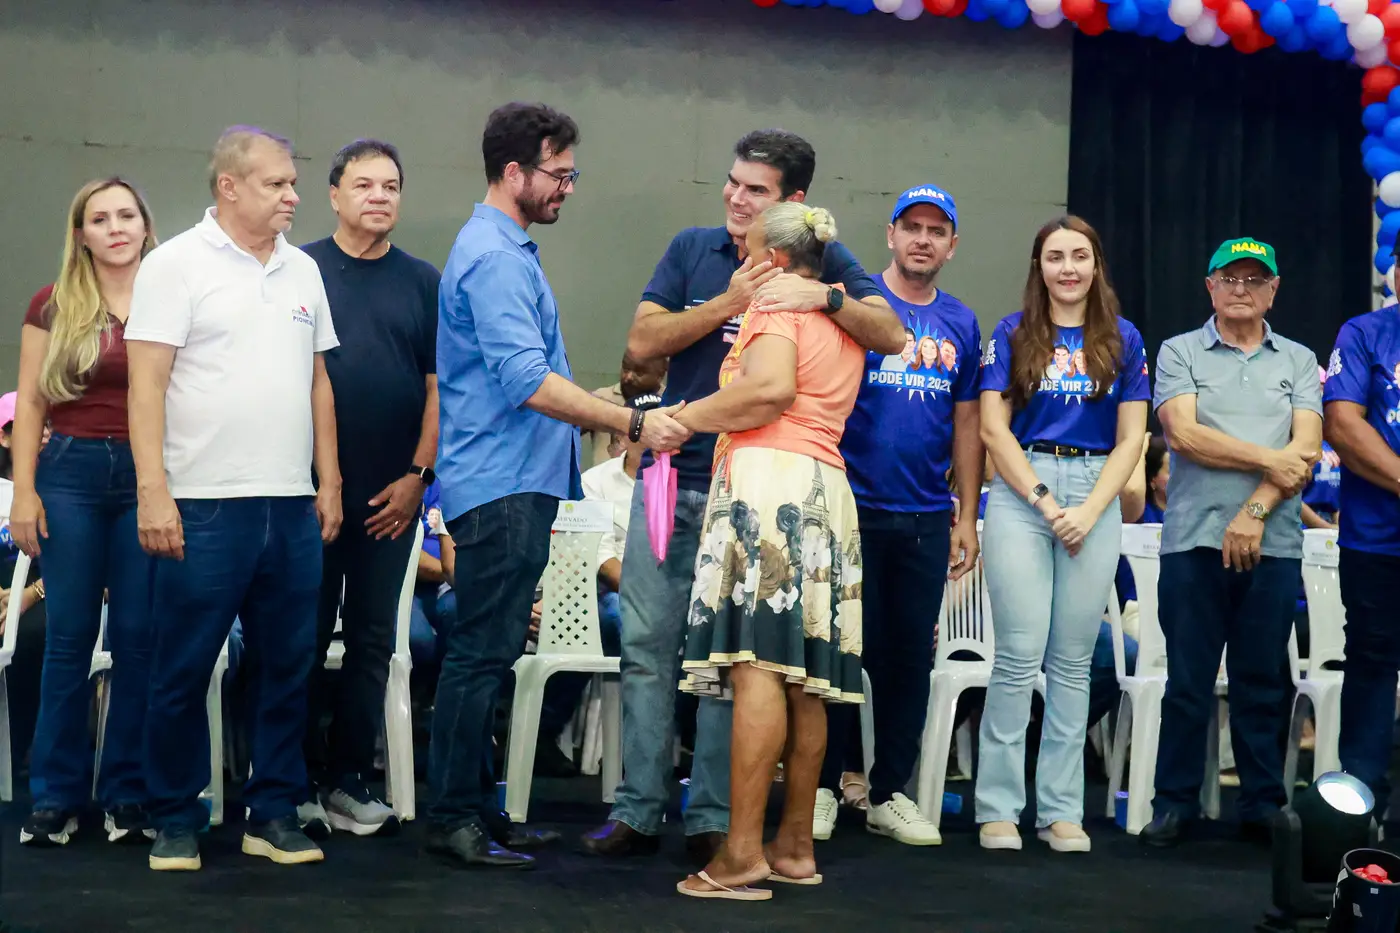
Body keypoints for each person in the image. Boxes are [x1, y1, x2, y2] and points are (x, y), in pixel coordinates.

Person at [582, 127, 904, 864]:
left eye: (754, 189)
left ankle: (714, 818)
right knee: (647, 649)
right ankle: (638, 809)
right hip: (675, 480)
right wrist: (730, 299)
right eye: (731, 182)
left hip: (756, 489)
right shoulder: (693, 249)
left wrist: (824, 295)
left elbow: (889, 332)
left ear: (793, 201)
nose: (734, 197)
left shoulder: (819, 257)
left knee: (733, 664)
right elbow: (642, 343)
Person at [425, 102, 690, 870]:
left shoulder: (502, 249)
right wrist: (631, 420)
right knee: (480, 654)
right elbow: (527, 381)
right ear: (515, 172)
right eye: (559, 175)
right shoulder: (496, 258)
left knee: (491, 652)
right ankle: (453, 815)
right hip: (500, 484)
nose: (568, 189)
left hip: (513, 482)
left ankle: (477, 808)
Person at [127, 126, 343, 871]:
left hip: (290, 503)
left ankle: (272, 813)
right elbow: (146, 385)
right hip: (202, 502)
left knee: (288, 665)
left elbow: (318, 383)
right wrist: (153, 491)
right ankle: (174, 817)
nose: (293, 196)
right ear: (229, 186)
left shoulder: (303, 270)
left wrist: (328, 481)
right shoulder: (173, 265)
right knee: (183, 668)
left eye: (292, 183)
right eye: (276, 183)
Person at [668, 201, 865, 899]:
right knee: (805, 676)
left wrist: (681, 418)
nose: (744, 264)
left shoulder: (776, 307)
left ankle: (743, 853)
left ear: (776, 260)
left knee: (758, 664)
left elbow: (771, 390)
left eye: (750, 253)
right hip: (826, 487)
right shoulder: (841, 319)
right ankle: (794, 846)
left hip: (770, 484)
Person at [814, 184, 983, 846]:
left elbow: (967, 422)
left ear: (952, 245)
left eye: (935, 230)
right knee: (834, 654)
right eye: (911, 226)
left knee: (908, 659)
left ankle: (888, 793)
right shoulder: (855, 305)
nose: (922, 238)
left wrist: (965, 515)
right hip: (848, 507)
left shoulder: (961, 322)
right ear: (890, 234)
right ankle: (822, 788)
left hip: (924, 516)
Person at [976, 216, 1150, 854]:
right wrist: (1048, 503)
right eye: (1055, 257)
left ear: (1096, 264)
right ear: (1039, 267)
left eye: (1080, 256)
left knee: (1074, 662)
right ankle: (998, 807)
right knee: (1018, 656)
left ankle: (1060, 810)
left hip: (1096, 491)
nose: (1068, 268)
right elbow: (993, 430)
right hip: (1025, 489)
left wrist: (1092, 508)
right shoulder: (1011, 333)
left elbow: (1132, 438)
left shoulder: (1124, 338)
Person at [1142, 238, 1321, 847]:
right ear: (1209, 286)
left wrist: (1253, 511)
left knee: (1262, 683)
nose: (1241, 289)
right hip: (1192, 540)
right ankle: (1174, 804)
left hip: (1274, 542)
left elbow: (1307, 450)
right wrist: (1272, 458)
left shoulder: (1298, 359)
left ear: (1274, 290)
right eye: (1230, 278)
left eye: (1255, 279)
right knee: (1187, 683)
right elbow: (1185, 435)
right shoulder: (1180, 350)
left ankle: (1263, 805)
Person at [299, 138, 440, 839]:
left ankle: (348, 781)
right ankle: (293, 782)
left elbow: (440, 387)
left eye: (390, 186)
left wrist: (418, 477)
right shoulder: (300, 270)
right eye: (364, 184)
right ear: (334, 195)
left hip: (394, 497)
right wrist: (319, 482)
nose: (379, 196)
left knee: (373, 640)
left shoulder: (422, 280)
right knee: (299, 636)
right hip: (307, 491)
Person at [13, 178, 158, 847]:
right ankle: (56, 795)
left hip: (148, 474)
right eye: (100, 219)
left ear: (145, 225)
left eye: (126, 215)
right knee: (68, 637)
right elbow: (31, 403)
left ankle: (127, 791)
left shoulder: (173, 296)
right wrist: (24, 491)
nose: (116, 227)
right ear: (82, 235)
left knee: (137, 637)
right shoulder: (52, 303)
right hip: (69, 473)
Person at [1321, 276, 1400, 821]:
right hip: (1377, 540)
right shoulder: (1365, 333)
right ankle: (1363, 806)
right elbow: (1342, 425)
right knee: (1371, 661)